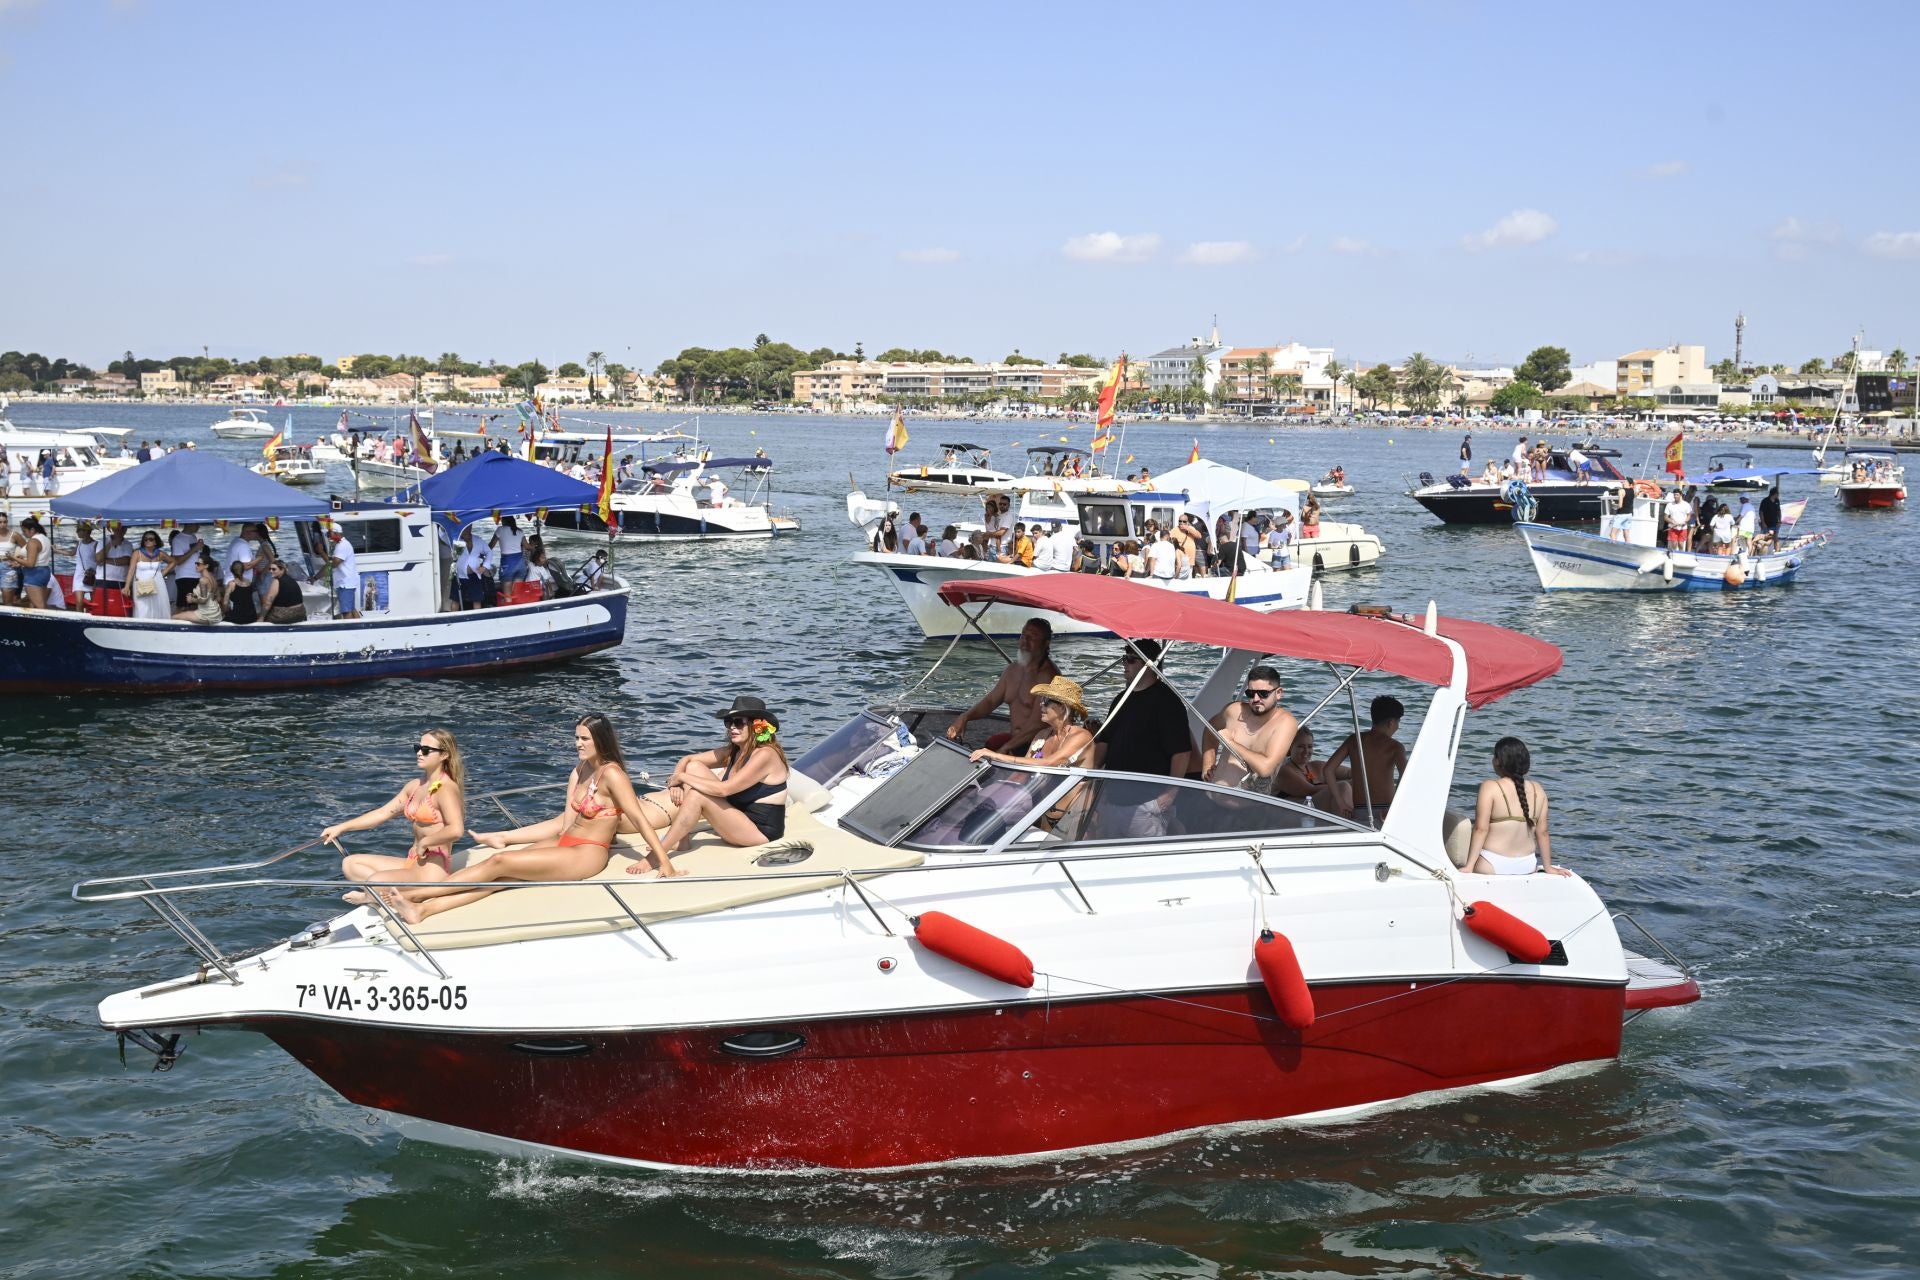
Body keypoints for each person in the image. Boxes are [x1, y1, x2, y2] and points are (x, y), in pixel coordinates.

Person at [388, 714, 677, 924]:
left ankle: (414, 895)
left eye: (584, 739)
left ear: (600, 741)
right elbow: (565, 820)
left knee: (499, 862)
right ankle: (422, 909)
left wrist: (662, 861)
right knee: (503, 877)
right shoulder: (583, 768)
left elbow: (638, 818)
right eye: (576, 737)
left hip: (587, 853)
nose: (577, 743)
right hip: (564, 842)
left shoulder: (612, 774)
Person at [325, 727, 469, 902]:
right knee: (350, 864)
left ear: (444, 755)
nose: (419, 753)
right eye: (417, 748)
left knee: (374, 882)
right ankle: (384, 895)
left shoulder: (446, 788)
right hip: (412, 861)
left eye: (426, 750)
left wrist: (426, 842)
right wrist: (341, 827)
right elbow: (383, 813)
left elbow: (456, 830)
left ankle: (373, 896)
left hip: (431, 871)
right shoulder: (415, 785)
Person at [647, 696, 793, 854]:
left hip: (759, 833)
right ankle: (682, 840)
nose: (732, 727)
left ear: (756, 725)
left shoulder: (766, 754)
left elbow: (724, 790)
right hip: (737, 820)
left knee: (697, 794)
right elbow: (688, 759)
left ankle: (660, 852)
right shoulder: (735, 751)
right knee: (693, 767)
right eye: (729, 722)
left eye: (738, 722)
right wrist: (676, 782)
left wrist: (681, 778)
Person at [1091, 639, 1196, 836]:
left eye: (1131, 660)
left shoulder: (1168, 702)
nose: (1125, 664)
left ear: (1149, 665)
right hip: (1112, 799)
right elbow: (1105, 741)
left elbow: (1181, 752)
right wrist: (1095, 787)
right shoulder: (1120, 699)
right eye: (1124, 658)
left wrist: (1169, 795)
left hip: (1146, 803)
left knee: (1145, 855)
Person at [946, 617, 1059, 753]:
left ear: (1046, 643)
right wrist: (965, 717)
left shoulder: (1049, 677)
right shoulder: (1012, 670)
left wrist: (1005, 748)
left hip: (1037, 747)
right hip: (1013, 741)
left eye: (1032, 637)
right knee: (989, 744)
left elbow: (1037, 725)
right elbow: (990, 701)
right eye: (1023, 635)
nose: (1025, 641)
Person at [1464, 736, 1568, 877]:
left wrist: (1469, 866)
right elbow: (1542, 833)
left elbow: (1480, 829)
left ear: (1498, 761)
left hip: (1491, 863)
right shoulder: (1538, 789)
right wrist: (1548, 867)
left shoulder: (1490, 787)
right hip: (1527, 865)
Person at [1199, 664, 1297, 791]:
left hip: (1249, 803)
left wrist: (1230, 743)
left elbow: (1265, 769)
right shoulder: (1234, 711)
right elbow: (1210, 730)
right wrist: (1208, 764)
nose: (1256, 699)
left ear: (1278, 693)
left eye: (1263, 693)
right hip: (1211, 795)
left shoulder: (1285, 723)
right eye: (1251, 693)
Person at [969, 676, 1095, 769]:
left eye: (1046, 701)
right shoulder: (1042, 735)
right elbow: (1025, 766)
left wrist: (995, 755)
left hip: (1070, 799)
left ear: (1062, 707)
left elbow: (1049, 763)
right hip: (1041, 796)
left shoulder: (1081, 737)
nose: (1041, 705)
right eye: (1041, 700)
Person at [1324, 695, 1408, 826]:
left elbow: (1328, 770)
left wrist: (1341, 803)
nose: (1397, 726)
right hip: (1386, 813)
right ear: (1391, 723)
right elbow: (1406, 778)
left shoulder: (1354, 740)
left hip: (1360, 812)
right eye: (1398, 722)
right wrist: (1395, 807)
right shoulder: (1395, 747)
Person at [1273, 728, 1353, 816]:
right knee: (1343, 787)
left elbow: (1349, 772)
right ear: (1290, 747)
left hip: (1314, 812)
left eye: (1310, 747)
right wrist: (1348, 783)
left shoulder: (1316, 766)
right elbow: (1310, 790)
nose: (1306, 751)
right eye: (1301, 746)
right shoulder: (1283, 771)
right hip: (1291, 815)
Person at [127, 529, 191, 621]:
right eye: (145, 539)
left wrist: (162, 573)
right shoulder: (137, 553)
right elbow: (131, 570)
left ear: (155, 542)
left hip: (157, 583)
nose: (148, 541)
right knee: (142, 608)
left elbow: (173, 562)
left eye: (151, 539)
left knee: (158, 607)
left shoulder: (160, 554)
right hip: (141, 584)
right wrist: (127, 586)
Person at [172, 549, 229, 624]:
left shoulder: (203, 580)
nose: (196, 566)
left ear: (206, 566)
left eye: (198, 564)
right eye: (195, 563)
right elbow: (218, 598)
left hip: (206, 614)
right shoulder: (213, 579)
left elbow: (203, 600)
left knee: (174, 617)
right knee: (186, 613)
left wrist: (192, 599)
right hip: (215, 613)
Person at [14, 516, 52, 609]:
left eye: (24, 531)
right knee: (40, 603)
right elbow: (39, 556)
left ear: (32, 529)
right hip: (44, 571)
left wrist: (13, 558)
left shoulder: (33, 541)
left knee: (40, 606)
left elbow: (30, 564)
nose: (23, 534)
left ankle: (46, 619)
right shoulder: (44, 538)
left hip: (34, 574)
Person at [453, 531, 496, 609]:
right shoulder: (456, 540)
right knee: (456, 600)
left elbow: (489, 552)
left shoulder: (478, 540)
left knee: (477, 600)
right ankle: (453, 616)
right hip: (459, 575)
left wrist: (484, 566)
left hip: (475, 575)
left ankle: (478, 616)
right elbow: (442, 536)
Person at [326, 528, 361, 618]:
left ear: (336, 533)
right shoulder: (341, 544)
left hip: (345, 584)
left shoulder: (342, 545)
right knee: (351, 609)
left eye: (329, 534)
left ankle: (350, 627)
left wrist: (326, 567)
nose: (328, 536)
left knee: (346, 612)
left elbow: (335, 562)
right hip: (347, 583)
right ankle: (361, 626)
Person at [261, 559, 308, 623]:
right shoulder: (292, 579)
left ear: (282, 570)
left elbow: (268, 603)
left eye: (274, 569)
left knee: (263, 616)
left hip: (286, 615)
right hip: (301, 613)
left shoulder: (276, 581)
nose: (271, 571)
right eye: (270, 569)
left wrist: (261, 618)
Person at [169, 524, 205, 609]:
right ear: (189, 524)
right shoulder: (177, 539)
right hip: (185, 577)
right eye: (196, 524)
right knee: (184, 606)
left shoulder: (193, 537)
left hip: (196, 575)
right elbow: (178, 561)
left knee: (196, 605)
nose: (198, 526)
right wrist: (195, 548)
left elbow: (195, 556)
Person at [70, 520, 99, 609]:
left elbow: (99, 560)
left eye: (79, 530)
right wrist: (57, 551)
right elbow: (72, 553)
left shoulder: (95, 544)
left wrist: (95, 571)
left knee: (94, 602)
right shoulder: (79, 543)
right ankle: (79, 617)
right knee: (79, 602)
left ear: (86, 531)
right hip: (79, 575)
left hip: (92, 575)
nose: (77, 532)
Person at [492, 517, 526, 581]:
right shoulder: (519, 531)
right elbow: (527, 546)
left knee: (507, 587)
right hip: (520, 562)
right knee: (517, 587)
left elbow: (491, 545)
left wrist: (481, 551)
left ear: (504, 520)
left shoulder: (500, 529)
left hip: (508, 562)